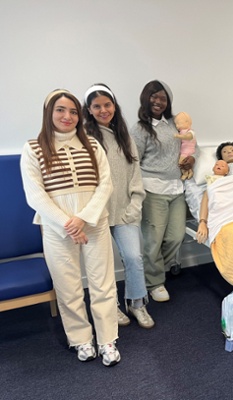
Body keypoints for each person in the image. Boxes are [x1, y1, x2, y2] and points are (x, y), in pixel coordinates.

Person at [20, 89, 120, 366]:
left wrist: (83, 219)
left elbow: (106, 185)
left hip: (94, 224)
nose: (67, 116)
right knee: (68, 287)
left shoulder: (92, 144)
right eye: (60, 110)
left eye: (73, 111)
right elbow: (35, 195)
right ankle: (81, 339)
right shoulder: (34, 148)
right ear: (49, 113)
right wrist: (68, 223)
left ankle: (107, 339)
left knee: (102, 284)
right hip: (56, 228)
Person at [83, 84, 155, 329]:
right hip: (97, 215)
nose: (103, 110)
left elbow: (135, 174)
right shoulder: (84, 138)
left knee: (134, 258)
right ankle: (109, 304)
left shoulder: (125, 136)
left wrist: (134, 206)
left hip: (125, 211)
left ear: (114, 106)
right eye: (97, 106)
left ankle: (137, 303)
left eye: (107, 104)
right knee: (102, 266)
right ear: (89, 110)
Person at [130, 80, 195, 303]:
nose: (158, 101)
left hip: (176, 188)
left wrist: (191, 159)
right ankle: (155, 282)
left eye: (163, 98)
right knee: (153, 240)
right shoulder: (139, 128)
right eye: (154, 97)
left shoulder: (173, 123)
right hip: (152, 189)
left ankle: (152, 269)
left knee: (176, 236)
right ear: (145, 98)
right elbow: (134, 162)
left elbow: (187, 144)